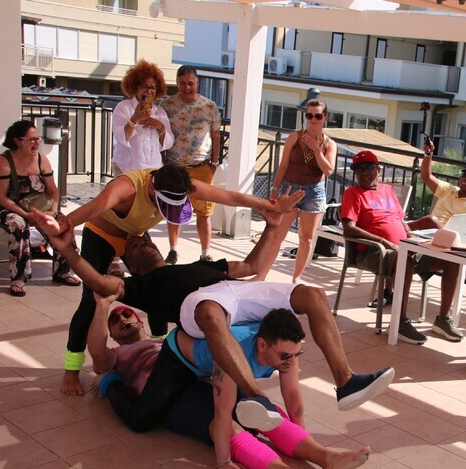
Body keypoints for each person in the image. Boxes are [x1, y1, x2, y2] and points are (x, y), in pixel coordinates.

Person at [36, 210, 395, 427]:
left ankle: (345, 381)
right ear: (130, 264)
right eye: (134, 246)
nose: (143, 243)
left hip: (234, 292)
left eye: (145, 240)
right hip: (197, 307)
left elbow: (252, 265)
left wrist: (272, 225)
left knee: (313, 295)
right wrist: (67, 248)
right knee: (209, 312)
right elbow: (99, 282)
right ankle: (255, 398)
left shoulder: (198, 263)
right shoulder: (138, 286)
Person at [48, 163, 304, 396]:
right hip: (102, 234)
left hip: (135, 236)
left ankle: (159, 346)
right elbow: (95, 206)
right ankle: (71, 370)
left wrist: (272, 206)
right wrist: (63, 227)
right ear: (152, 188)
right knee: (90, 300)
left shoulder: (182, 184)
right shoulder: (127, 187)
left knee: (159, 288)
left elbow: (229, 197)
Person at [88, 301, 371, 469]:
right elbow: (222, 412)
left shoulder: (282, 345)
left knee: (267, 413)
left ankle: (327, 457)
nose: (122, 319)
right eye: (116, 321)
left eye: (127, 314)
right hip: (166, 387)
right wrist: (223, 462)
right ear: (112, 335)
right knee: (221, 424)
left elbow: (292, 394)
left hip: (200, 377)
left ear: (141, 321)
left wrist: (302, 443)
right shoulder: (118, 355)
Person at [341, 150, 466, 345]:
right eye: (359, 169)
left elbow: (401, 222)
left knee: (451, 259)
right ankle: (399, 322)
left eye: (369, 168)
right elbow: (349, 228)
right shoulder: (352, 193)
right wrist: (384, 241)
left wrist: (416, 240)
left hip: (403, 248)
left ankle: (442, 319)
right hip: (373, 252)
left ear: (378, 170)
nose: (364, 172)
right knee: (404, 259)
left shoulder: (387, 190)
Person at [0, 120, 81, 296]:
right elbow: (0, 197)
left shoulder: (41, 160)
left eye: (37, 138)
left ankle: (63, 271)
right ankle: (19, 277)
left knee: (63, 222)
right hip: (7, 207)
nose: (36, 142)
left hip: (37, 206)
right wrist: (25, 214)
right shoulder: (4, 162)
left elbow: (53, 191)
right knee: (18, 223)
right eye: (31, 139)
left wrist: (53, 211)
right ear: (17, 141)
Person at [108, 59, 174, 277]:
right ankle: (115, 258)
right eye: (145, 86)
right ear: (135, 87)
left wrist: (160, 127)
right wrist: (134, 119)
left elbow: (169, 142)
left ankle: (137, 260)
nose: (149, 91)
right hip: (127, 168)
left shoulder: (159, 112)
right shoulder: (124, 108)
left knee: (142, 218)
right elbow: (121, 136)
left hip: (151, 171)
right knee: (122, 215)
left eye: (153, 88)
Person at [271, 98, 337, 283]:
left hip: (314, 192)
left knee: (306, 238)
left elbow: (328, 170)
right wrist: (275, 188)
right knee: (277, 236)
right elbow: (284, 165)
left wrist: (316, 150)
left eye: (318, 116)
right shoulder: (295, 137)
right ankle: (263, 272)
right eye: (309, 115)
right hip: (291, 189)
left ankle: (296, 278)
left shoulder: (329, 144)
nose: (313, 119)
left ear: (325, 117)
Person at [161, 65, 222, 264]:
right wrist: (162, 160)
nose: (186, 88)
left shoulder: (209, 106)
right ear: (177, 83)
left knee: (204, 212)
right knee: (174, 210)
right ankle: (173, 250)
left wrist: (214, 163)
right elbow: (160, 134)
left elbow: (215, 136)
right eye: (182, 84)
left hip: (201, 166)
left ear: (197, 83)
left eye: (190, 83)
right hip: (175, 166)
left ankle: (205, 253)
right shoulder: (167, 105)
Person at [406, 138, 466, 232]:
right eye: (463, 175)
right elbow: (426, 176)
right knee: (428, 221)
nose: (464, 179)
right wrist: (428, 154)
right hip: (427, 231)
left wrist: (437, 225)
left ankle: (403, 228)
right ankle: (403, 229)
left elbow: (464, 230)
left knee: (431, 220)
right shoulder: (449, 189)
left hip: (447, 235)